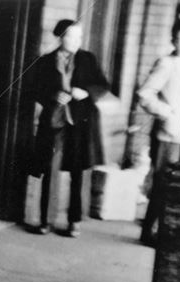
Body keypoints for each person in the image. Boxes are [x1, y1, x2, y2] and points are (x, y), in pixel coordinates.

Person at [31, 19, 110, 237]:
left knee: (78, 172)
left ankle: (74, 221)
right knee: (50, 169)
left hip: (81, 124)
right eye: (71, 36)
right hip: (55, 123)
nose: (76, 41)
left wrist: (85, 93)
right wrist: (52, 96)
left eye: (79, 37)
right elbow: (34, 89)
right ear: (60, 37)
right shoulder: (46, 62)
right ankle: (46, 221)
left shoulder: (88, 59)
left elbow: (103, 85)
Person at [137, 20, 180, 246]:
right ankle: (149, 231)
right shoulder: (167, 63)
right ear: (173, 41)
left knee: (176, 185)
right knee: (163, 184)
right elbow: (144, 95)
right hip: (168, 136)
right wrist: (166, 113)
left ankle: (165, 230)